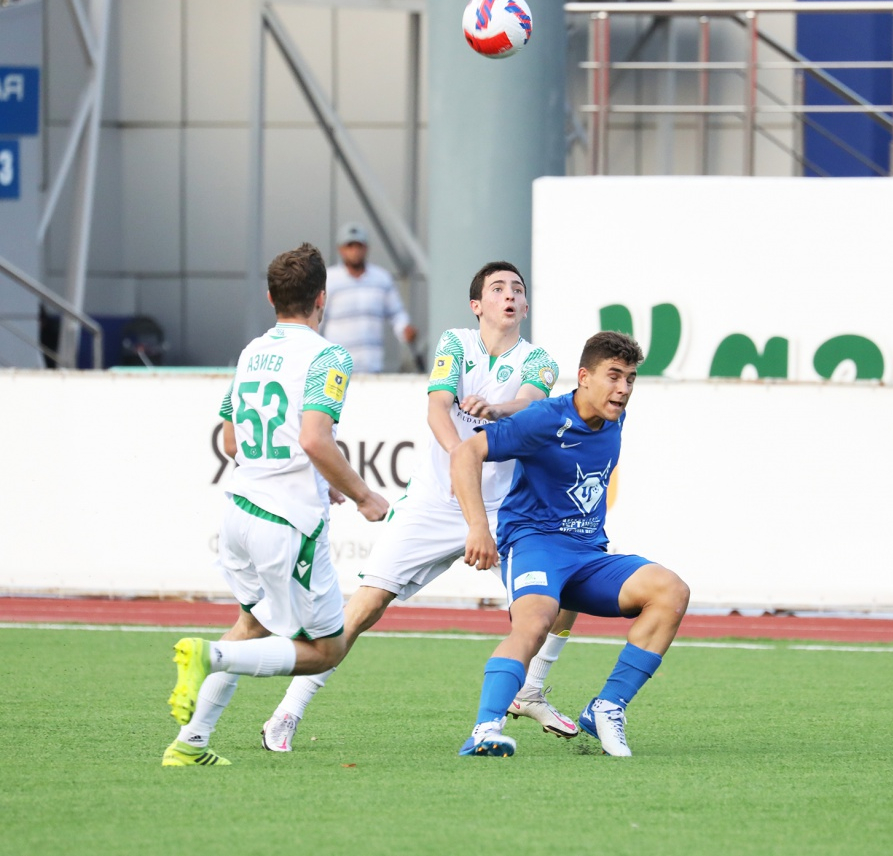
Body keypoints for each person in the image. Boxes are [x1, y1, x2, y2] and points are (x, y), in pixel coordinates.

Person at [260, 261, 582, 752]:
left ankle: (530, 689)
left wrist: (498, 411)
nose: (509, 295)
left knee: (564, 592)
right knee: (364, 606)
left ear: (525, 305)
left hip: (506, 509)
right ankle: (287, 711)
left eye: (517, 289)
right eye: (498, 288)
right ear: (477, 305)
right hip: (434, 500)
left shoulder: (538, 359)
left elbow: (530, 404)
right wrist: (461, 461)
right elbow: (436, 408)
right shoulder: (456, 343)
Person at [163, 243, 390, 766]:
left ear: (270, 297)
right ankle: (209, 655)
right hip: (285, 523)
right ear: (322, 297)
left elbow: (230, 441)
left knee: (253, 625)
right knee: (326, 650)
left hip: (239, 512)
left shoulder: (251, 351)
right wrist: (364, 496)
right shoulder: (328, 355)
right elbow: (314, 439)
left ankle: (190, 743)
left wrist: (313, 477)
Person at [452, 331, 691, 758]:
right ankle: (486, 729)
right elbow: (465, 454)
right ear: (584, 377)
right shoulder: (546, 419)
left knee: (671, 591)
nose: (623, 388)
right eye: (613, 376)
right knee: (535, 622)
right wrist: (478, 528)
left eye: (630, 379)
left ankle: (607, 707)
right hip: (535, 544)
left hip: (587, 555)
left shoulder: (615, 417)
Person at [322, 221, 418, 373]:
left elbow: (396, 313)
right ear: (340, 249)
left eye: (359, 246)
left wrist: (404, 329)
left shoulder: (382, 278)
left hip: (371, 366)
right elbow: (317, 318)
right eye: (350, 246)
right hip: (337, 367)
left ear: (366, 248)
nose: (355, 251)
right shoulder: (329, 279)